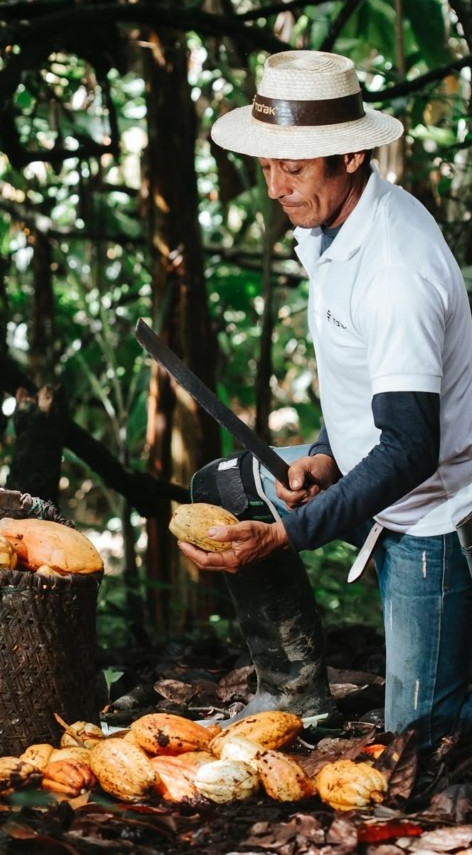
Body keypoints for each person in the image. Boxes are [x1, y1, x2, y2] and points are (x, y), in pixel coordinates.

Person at [180, 50, 472, 752]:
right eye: (270, 164)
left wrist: (287, 534)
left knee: (422, 747)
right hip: (369, 478)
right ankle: (291, 692)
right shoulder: (329, 226)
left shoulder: (395, 269)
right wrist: (322, 455)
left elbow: (409, 446)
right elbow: (361, 388)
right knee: (221, 486)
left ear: (351, 156)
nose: (277, 186)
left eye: (295, 167)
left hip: (431, 514)